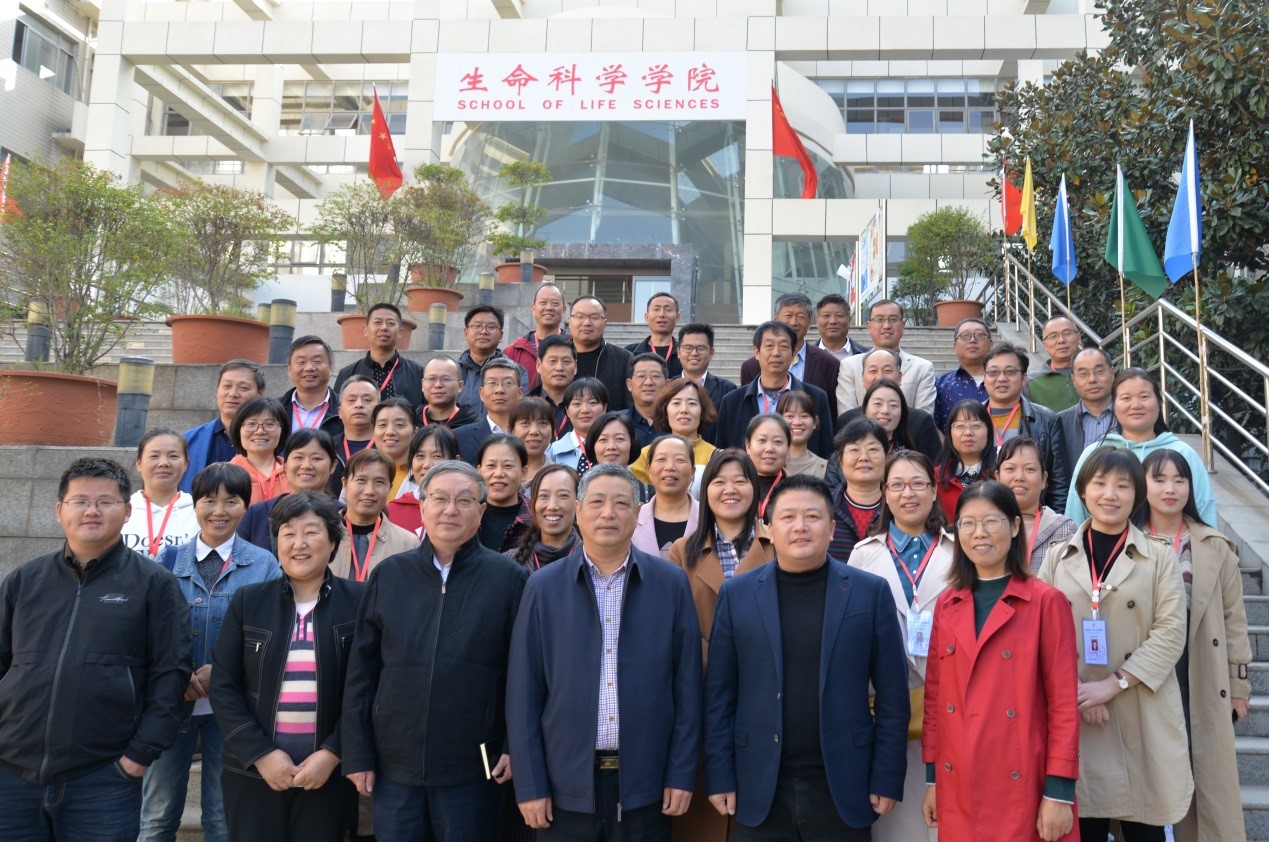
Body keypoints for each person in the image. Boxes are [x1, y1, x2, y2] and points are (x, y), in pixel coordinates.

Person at [703, 475, 909, 841]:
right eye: (788, 517)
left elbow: (893, 695)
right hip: (759, 784)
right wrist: (719, 774)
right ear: (769, 528)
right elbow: (719, 695)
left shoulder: (869, 593)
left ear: (831, 529)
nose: (800, 526)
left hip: (843, 785)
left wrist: (887, 775)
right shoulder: (737, 595)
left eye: (812, 517)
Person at [506, 463, 702, 840]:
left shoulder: (670, 583)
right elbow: (523, 694)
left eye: (621, 503)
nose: (608, 513)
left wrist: (681, 774)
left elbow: (688, 688)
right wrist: (530, 785)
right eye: (596, 502)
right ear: (579, 511)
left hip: (646, 782)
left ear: (638, 513)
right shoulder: (543, 587)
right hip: (564, 785)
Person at [0, 458, 190, 841]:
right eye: (80, 501)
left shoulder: (155, 585)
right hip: (12, 777)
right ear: (60, 510)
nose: (91, 510)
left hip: (103, 779)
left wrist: (137, 758)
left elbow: (171, 676)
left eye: (105, 501)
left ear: (127, 511)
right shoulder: (24, 581)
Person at [343, 461, 528, 839]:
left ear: (481, 511)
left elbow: (522, 673)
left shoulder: (508, 578)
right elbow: (362, 671)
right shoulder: (390, 574)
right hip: (395, 765)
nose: (450, 510)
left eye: (464, 501)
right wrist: (358, 752)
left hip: (475, 765)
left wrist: (514, 746)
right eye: (440, 499)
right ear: (422, 505)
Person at [1038, 447, 1192, 841]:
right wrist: (1079, 692)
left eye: (1123, 486)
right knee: (1082, 828)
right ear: (1083, 491)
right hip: (1074, 714)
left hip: (1139, 708)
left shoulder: (1159, 557)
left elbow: (1171, 632)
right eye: (1100, 483)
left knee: (1145, 828)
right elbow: (1038, 633)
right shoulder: (1057, 557)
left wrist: (1112, 685)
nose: (1110, 494)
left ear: (1137, 494)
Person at [921, 481, 1080, 842]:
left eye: (991, 521)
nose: (979, 533)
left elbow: (1063, 704)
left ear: (1014, 525)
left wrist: (1059, 792)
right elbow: (936, 699)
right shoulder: (948, 603)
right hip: (959, 782)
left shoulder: (1045, 602)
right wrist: (933, 779)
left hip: (1025, 783)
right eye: (967, 523)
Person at [141, 462, 281, 842]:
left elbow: (271, 636)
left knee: (222, 817)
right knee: (157, 817)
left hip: (232, 711)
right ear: (195, 504)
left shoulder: (264, 565)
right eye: (209, 500)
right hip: (172, 705)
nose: (219, 511)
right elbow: (150, 629)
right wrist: (177, 672)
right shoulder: (168, 561)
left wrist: (223, 673)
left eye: (231, 501)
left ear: (245, 506)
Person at [210, 492, 362, 842]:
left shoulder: (359, 602)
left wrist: (332, 754)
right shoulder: (249, 601)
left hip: (327, 777)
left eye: (311, 532)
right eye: (288, 533)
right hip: (254, 774)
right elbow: (223, 686)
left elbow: (367, 690)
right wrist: (261, 754)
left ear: (332, 541)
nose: (299, 543)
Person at [1136, 449, 1251, 842]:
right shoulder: (1126, 540)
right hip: (1144, 669)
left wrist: (1239, 685)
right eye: (1159, 479)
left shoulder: (1215, 546)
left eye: (1179, 479)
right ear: (1142, 485)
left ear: (1191, 486)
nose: (1170, 488)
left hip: (1199, 667)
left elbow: (1235, 620)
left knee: (1201, 772)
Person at [666, 449, 774, 842]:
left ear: (755, 489)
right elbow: (673, 631)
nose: (730, 489)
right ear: (705, 490)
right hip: (700, 693)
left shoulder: (779, 545)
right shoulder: (682, 551)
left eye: (740, 480)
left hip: (764, 696)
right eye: (719, 481)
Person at [848, 451, 955, 842]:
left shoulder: (959, 550)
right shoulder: (863, 555)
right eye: (897, 485)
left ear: (934, 491)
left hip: (951, 703)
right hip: (886, 709)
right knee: (896, 825)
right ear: (885, 493)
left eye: (918, 484)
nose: (908, 494)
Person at [1066, 367, 1216, 527]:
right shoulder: (1095, 453)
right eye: (1126, 398)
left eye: (1144, 397)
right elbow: (1076, 513)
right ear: (1113, 406)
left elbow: (1204, 511)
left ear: (1159, 403)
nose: (1136, 405)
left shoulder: (1183, 454)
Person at [716, 321, 835, 458]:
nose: (776, 353)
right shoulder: (732, 401)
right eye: (769, 346)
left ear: (793, 354)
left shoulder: (816, 397)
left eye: (783, 346)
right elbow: (723, 454)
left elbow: (827, 451)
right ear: (757, 352)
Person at [981, 343, 1070, 510]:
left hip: (1033, 516)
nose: (1001, 378)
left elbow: (1059, 485)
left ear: (1024, 378)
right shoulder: (970, 420)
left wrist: (1053, 522)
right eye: (993, 372)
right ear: (984, 379)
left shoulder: (1047, 420)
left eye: (1010, 372)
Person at [740, 292, 842, 418]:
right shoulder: (751, 366)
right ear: (776, 319)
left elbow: (831, 413)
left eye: (800, 316)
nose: (794, 322)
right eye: (788, 315)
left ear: (810, 322)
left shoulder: (828, 363)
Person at [833, 349, 942, 464]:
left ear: (900, 377)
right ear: (862, 378)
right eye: (873, 371)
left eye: (887, 370)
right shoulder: (846, 421)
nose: (880, 377)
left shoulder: (921, 421)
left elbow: (936, 468)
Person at [237, 428, 338, 550]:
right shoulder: (258, 514)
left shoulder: (342, 515)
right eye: (298, 457)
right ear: (285, 465)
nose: (306, 465)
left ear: (333, 466)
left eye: (317, 458)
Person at [330, 448, 420, 582]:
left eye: (379, 482)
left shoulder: (408, 544)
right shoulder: (323, 536)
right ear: (345, 484)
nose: (369, 491)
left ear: (390, 488)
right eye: (361, 480)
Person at [838, 299, 936, 414]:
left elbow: (923, 418)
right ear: (869, 326)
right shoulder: (850, 366)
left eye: (893, 319)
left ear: (903, 325)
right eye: (879, 320)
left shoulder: (922, 368)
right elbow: (848, 416)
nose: (886, 326)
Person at [182, 360, 266, 492]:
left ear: (260, 394)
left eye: (243, 388)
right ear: (218, 391)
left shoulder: (272, 441)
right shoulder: (188, 441)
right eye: (227, 386)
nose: (233, 394)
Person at [997, 436, 1077, 571]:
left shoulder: (1064, 529)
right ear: (997, 477)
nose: (1019, 477)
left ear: (1044, 479)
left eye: (1029, 469)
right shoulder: (982, 525)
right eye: (1010, 469)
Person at [333, 302, 424, 413]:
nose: (384, 327)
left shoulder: (418, 373)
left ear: (400, 332)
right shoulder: (347, 374)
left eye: (390, 323)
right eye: (377, 322)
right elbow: (337, 413)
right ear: (366, 330)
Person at [122, 428, 199, 558]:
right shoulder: (122, 510)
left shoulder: (198, 511)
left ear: (186, 464)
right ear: (139, 464)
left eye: (173, 456)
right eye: (154, 456)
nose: (164, 463)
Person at [630, 377, 718, 484]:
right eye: (676, 403)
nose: (684, 410)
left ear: (702, 412)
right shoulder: (646, 455)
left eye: (692, 403)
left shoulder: (715, 456)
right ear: (665, 410)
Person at [828, 419, 888, 561]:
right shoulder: (823, 509)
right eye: (854, 450)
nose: (864, 457)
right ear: (840, 460)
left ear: (887, 457)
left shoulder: (898, 509)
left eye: (873, 449)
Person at [633, 434, 701, 559]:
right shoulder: (633, 519)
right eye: (661, 459)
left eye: (680, 460)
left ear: (692, 472)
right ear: (649, 471)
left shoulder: (710, 518)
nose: (670, 467)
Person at [506, 464, 580, 574]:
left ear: (578, 504)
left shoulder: (596, 560)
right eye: (544, 496)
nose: (552, 506)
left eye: (563, 496)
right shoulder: (508, 562)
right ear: (533, 503)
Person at [385, 424, 458, 535]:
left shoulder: (465, 509)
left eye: (437, 456)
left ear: (455, 461)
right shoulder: (393, 511)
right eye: (420, 456)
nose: (427, 464)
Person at [934, 400, 998, 522]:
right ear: (949, 433)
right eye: (960, 426)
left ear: (989, 432)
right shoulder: (935, 477)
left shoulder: (1000, 475)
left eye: (976, 426)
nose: (968, 433)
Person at [568, 295, 634, 411]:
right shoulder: (556, 358)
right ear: (569, 321)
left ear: (605, 322)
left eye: (594, 317)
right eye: (580, 316)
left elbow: (631, 407)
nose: (587, 323)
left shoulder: (624, 359)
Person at [454, 357, 526, 464]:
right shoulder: (459, 437)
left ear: (520, 393)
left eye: (508, 383)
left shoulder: (530, 435)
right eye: (492, 383)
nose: (499, 390)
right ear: (481, 393)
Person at [456, 304, 529, 409]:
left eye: (491, 327)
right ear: (466, 333)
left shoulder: (517, 371)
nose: (483, 332)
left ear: (501, 335)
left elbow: (521, 410)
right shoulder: (454, 372)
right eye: (477, 326)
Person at [675, 322, 737, 444]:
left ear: (711, 352)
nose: (694, 353)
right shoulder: (668, 388)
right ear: (678, 352)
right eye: (688, 347)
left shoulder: (727, 389)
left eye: (701, 348)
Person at [1056, 347, 1116, 471]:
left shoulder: (1130, 415)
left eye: (1099, 371)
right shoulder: (1060, 422)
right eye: (1083, 374)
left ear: (1112, 373)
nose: (1092, 379)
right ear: (1073, 380)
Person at [506, 283, 569, 392]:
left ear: (564, 310)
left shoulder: (574, 346)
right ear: (533, 308)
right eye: (543, 303)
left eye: (555, 303)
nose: (548, 308)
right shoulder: (513, 351)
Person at [229, 396, 291, 505]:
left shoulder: (293, 473)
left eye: (269, 424)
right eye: (251, 424)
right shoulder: (226, 476)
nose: (260, 431)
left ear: (282, 430)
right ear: (238, 430)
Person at [477, 432, 534, 552]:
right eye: (491, 465)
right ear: (479, 470)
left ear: (524, 473)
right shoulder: (465, 514)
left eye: (508, 466)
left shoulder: (536, 520)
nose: (498, 474)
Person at [933, 318, 992, 431]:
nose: (972, 340)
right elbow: (932, 426)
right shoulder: (939, 384)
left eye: (980, 335)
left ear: (991, 344)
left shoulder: (1005, 381)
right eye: (965, 335)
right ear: (955, 346)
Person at [583, 411, 653, 502]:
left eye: (619, 439)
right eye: (603, 440)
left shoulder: (649, 494)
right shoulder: (580, 490)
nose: (611, 446)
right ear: (593, 445)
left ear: (632, 443)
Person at [546, 377, 609, 474]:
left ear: (604, 408)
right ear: (567, 410)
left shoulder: (614, 447)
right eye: (577, 404)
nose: (585, 410)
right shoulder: (553, 452)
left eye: (592, 403)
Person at [282, 335, 342, 436]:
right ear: (289, 370)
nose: (309, 368)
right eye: (301, 362)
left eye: (317, 361)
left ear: (330, 368)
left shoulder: (345, 409)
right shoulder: (275, 411)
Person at [330, 375, 379, 491]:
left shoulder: (388, 447)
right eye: (351, 400)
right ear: (340, 412)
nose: (359, 405)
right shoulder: (328, 448)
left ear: (379, 409)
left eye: (367, 400)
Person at [1026, 316, 1081, 412]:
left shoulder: (1095, 375)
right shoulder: (1031, 383)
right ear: (1044, 345)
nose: (1061, 340)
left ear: (1079, 338)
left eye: (1067, 333)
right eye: (1053, 336)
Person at [626, 291, 684, 378]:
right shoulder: (629, 353)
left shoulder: (686, 353)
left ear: (677, 317)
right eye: (656, 309)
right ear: (646, 317)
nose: (662, 314)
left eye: (668, 310)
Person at [528, 334, 578, 434]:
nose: (559, 368)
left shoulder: (585, 409)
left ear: (575, 367)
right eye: (552, 361)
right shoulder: (525, 406)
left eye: (566, 361)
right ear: (539, 365)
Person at [745, 413, 791, 520]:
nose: (769, 449)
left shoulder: (798, 489)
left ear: (788, 448)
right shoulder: (734, 487)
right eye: (762, 440)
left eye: (777, 442)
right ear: (748, 446)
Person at [371, 397, 418, 498]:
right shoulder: (359, 469)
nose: (390, 432)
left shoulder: (424, 474)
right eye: (382, 425)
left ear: (415, 432)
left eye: (399, 425)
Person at [511, 396, 558, 492]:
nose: (534, 431)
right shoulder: (497, 473)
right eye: (525, 423)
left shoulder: (559, 477)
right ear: (511, 430)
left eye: (543, 423)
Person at [777, 390, 827, 478]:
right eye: (790, 416)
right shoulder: (769, 463)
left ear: (815, 421)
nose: (797, 422)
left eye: (804, 416)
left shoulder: (826, 468)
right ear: (778, 421)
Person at [625, 353, 670, 448]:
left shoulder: (678, 422)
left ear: (667, 385)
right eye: (641, 376)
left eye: (655, 376)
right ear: (629, 384)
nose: (648, 382)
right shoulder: (618, 424)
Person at [420, 355, 479, 429]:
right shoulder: (411, 421)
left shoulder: (474, 426)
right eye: (431, 379)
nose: (438, 385)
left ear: (460, 386)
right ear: (422, 384)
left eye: (446, 379)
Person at [815, 293, 868, 360]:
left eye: (839, 316)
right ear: (817, 321)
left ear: (849, 320)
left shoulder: (866, 356)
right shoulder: (806, 355)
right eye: (826, 316)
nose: (833, 321)